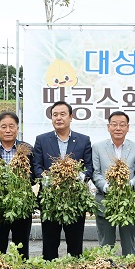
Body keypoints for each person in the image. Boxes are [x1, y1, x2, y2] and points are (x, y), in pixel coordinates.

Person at [32, 101, 93, 260]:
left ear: (71, 117)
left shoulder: (83, 140)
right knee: (50, 243)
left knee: (75, 244)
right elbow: (37, 166)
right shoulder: (42, 140)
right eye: (55, 115)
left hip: (75, 200)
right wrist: (48, 180)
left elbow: (89, 167)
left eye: (62, 114)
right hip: (50, 199)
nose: (58, 118)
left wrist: (74, 178)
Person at [0, 112, 34, 259]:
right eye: (3, 126)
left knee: (21, 246)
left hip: (20, 205)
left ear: (17, 128)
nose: (8, 130)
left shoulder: (27, 149)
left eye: (11, 126)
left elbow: (33, 175)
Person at [91, 111, 135, 255]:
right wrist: (107, 187)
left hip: (129, 202)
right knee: (106, 245)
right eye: (114, 124)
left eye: (122, 124)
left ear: (127, 127)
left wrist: (129, 184)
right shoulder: (97, 147)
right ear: (108, 127)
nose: (118, 128)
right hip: (104, 202)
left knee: (129, 245)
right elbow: (96, 173)